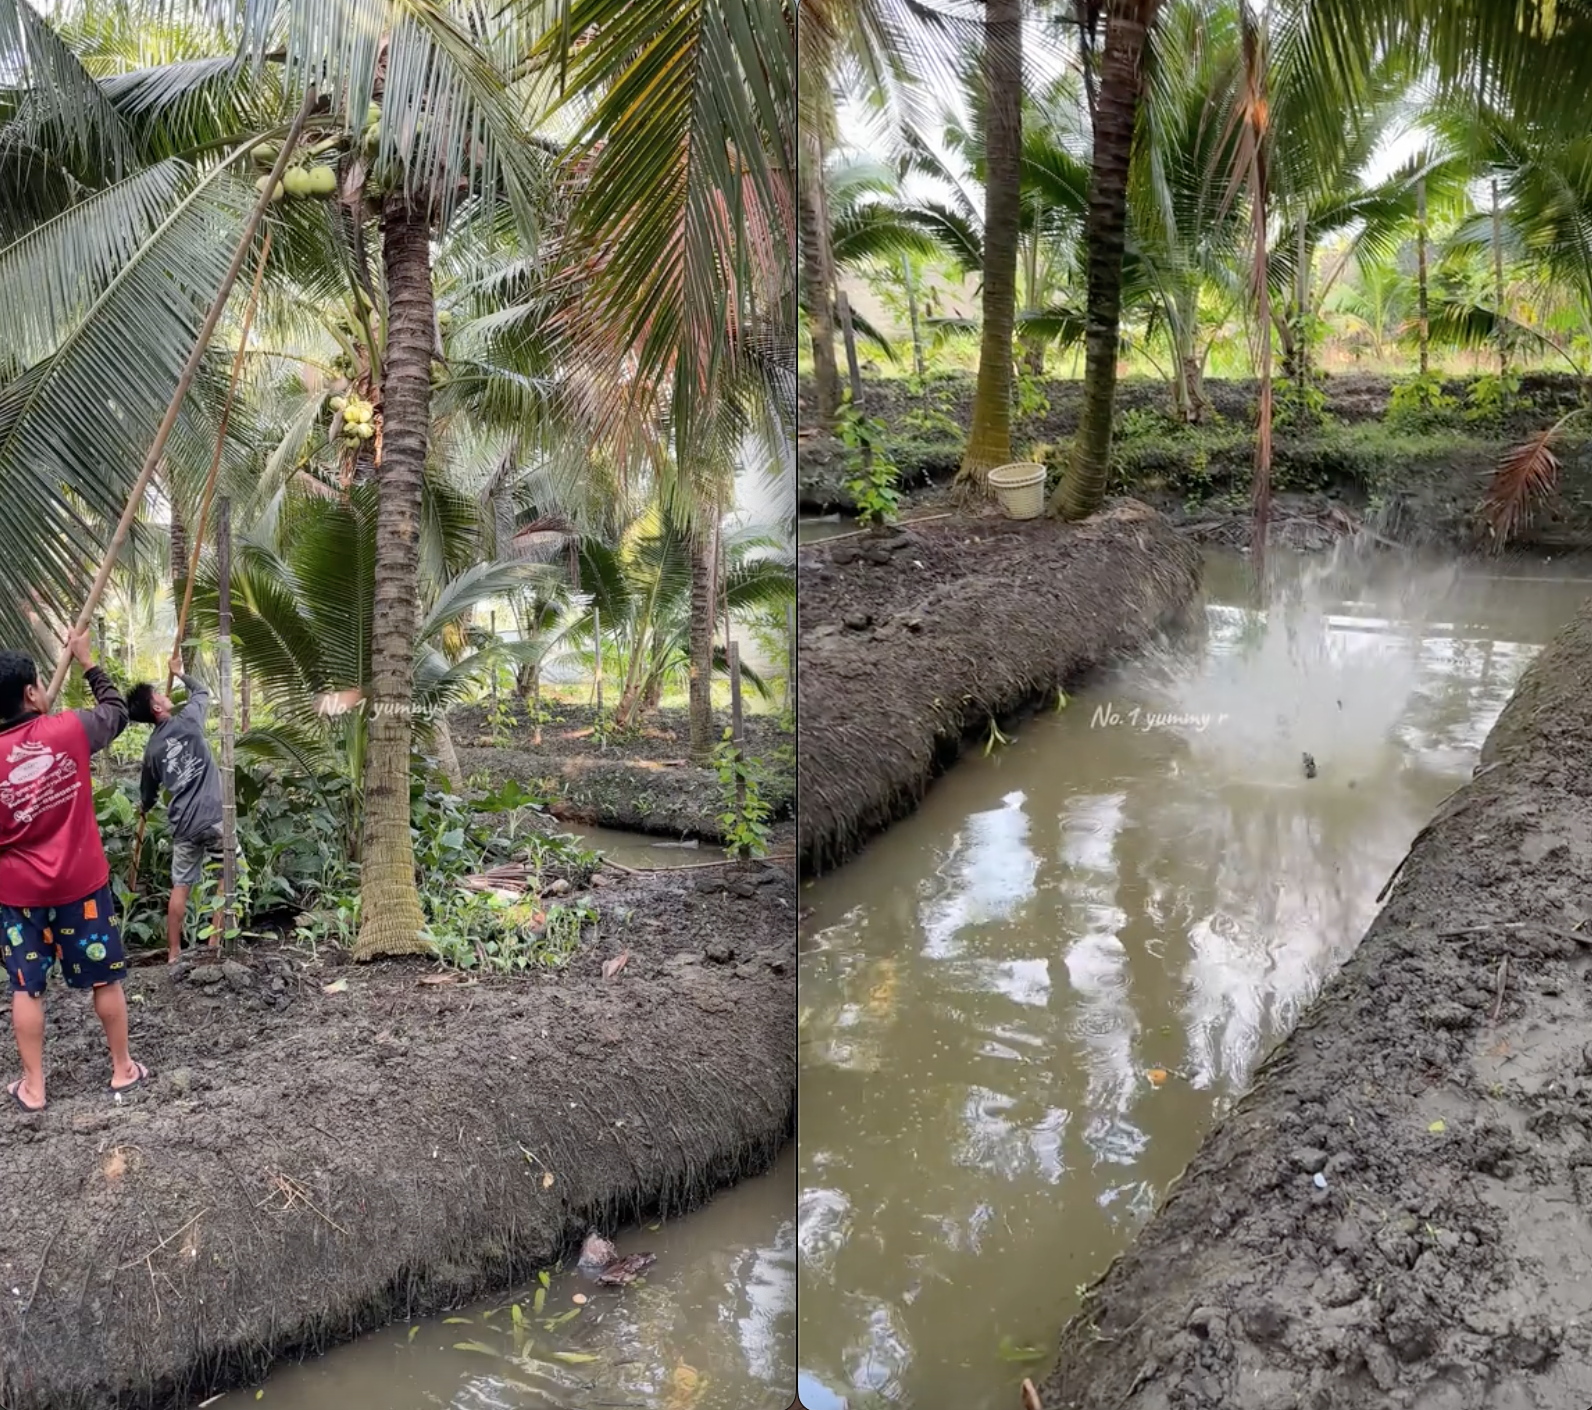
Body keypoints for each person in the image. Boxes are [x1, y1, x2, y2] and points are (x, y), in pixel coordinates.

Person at [0, 626, 145, 1112]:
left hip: (20, 897)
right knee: (105, 979)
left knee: (26, 987)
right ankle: (122, 1068)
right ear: (30, 693)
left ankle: (35, 1088)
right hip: (81, 886)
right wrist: (86, 661)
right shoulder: (68, 730)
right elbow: (118, 713)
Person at [128, 652, 226, 964]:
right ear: (156, 707)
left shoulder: (152, 751)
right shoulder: (190, 719)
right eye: (158, 693)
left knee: (181, 885)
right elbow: (201, 692)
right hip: (213, 817)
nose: (164, 693)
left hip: (183, 825)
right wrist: (180, 673)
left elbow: (148, 796)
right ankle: (214, 940)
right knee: (228, 876)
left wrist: (143, 807)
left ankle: (173, 952)